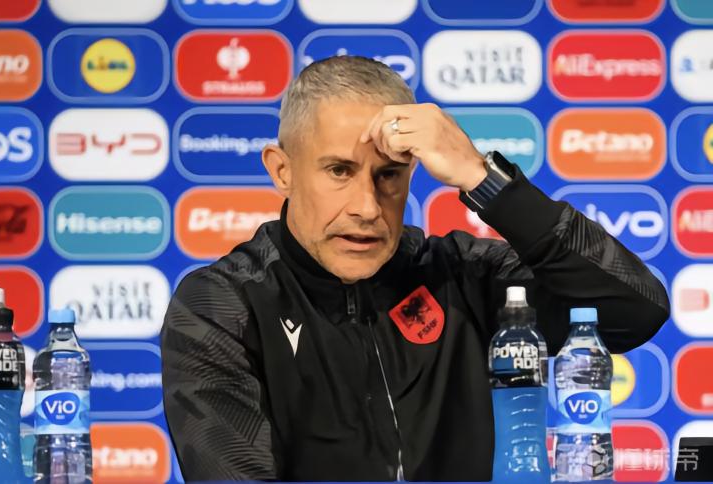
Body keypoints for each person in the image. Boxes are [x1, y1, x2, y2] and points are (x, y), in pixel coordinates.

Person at [161, 56, 669, 482]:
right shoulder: (222, 306)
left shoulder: (462, 276)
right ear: (282, 170)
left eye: (389, 175)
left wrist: (482, 178)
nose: (366, 206)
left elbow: (634, 309)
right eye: (339, 171)